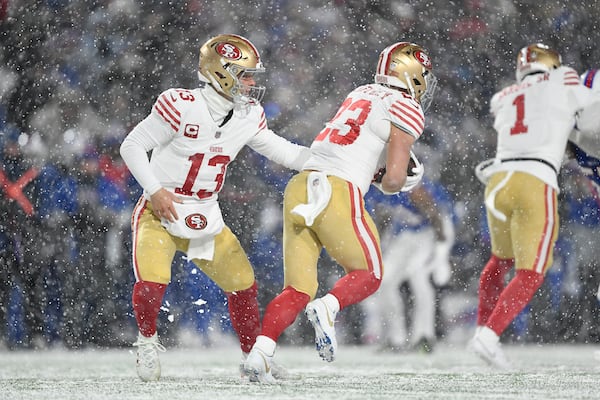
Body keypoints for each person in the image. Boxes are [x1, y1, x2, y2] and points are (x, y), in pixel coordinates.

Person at [119, 33, 310, 382]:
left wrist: (331, 162)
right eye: (245, 74)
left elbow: (282, 150)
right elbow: (132, 146)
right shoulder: (181, 104)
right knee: (152, 283)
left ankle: (253, 358)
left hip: (205, 212)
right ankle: (147, 343)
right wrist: (156, 191)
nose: (251, 83)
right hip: (159, 211)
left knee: (243, 283)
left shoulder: (248, 115)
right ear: (221, 72)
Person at [243, 41, 437, 383]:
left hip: (301, 186)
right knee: (370, 274)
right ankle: (328, 308)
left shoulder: (360, 92)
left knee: (297, 288)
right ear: (412, 74)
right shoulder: (406, 105)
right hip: (337, 190)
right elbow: (393, 179)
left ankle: (260, 354)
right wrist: (394, 181)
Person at [469, 44, 600, 369]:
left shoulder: (503, 96)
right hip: (535, 178)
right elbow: (590, 116)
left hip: (498, 180)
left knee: (499, 262)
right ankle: (489, 337)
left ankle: (482, 329)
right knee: (531, 273)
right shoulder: (565, 81)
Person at [362, 176, 454, 353]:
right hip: (403, 236)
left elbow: (437, 217)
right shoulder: (376, 187)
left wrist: (442, 254)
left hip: (428, 233)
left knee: (418, 278)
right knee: (385, 280)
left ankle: (424, 337)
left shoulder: (410, 185)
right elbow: (383, 219)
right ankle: (396, 338)